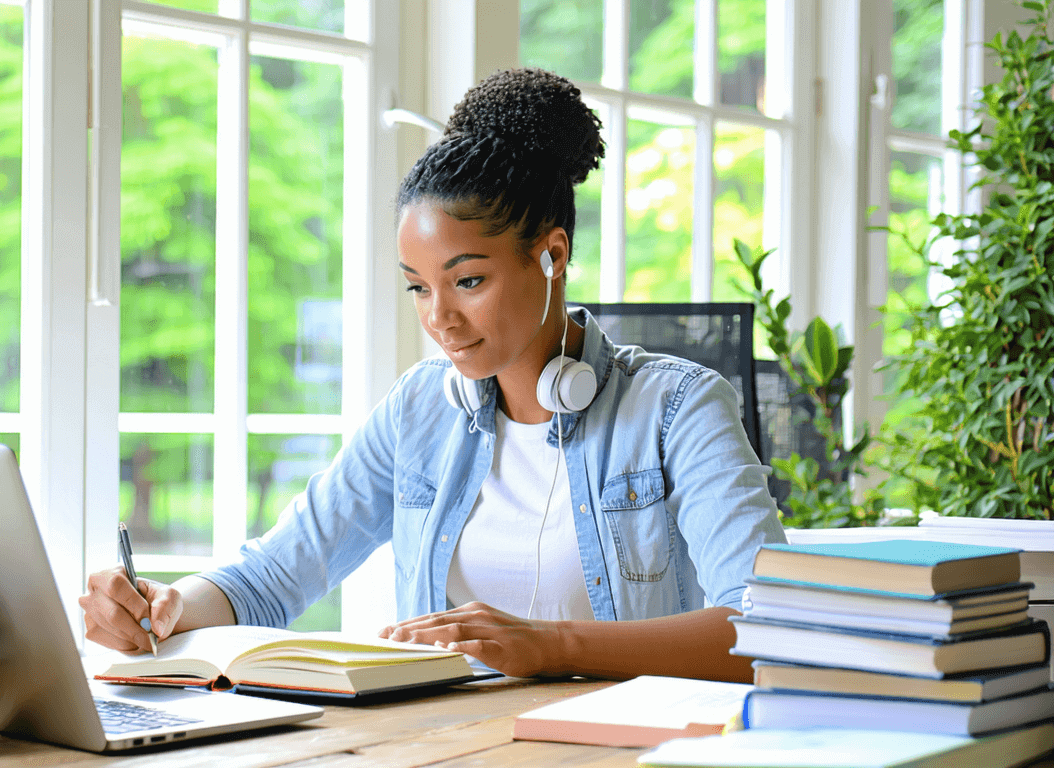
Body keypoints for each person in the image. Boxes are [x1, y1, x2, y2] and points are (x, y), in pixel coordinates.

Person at [80, 67, 785, 683]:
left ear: (552, 254)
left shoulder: (678, 409)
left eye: (468, 279)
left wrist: (552, 645)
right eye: (419, 287)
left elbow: (769, 630)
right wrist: (166, 606)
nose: (439, 317)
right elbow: (272, 577)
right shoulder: (420, 411)